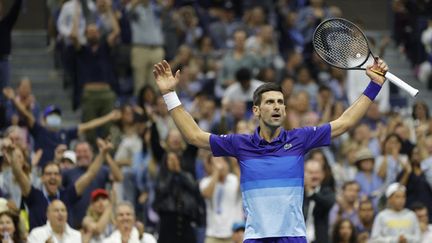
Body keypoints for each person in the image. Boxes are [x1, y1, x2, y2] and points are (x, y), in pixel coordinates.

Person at [152, 57, 388, 243]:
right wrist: (169, 94)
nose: (277, 107)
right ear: (256, 111)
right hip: (256, 238)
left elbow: (345, 122)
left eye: (280, 102)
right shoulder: (240, 144)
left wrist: (374, 85)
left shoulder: (300, 138)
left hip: (293, 236)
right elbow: (194, 136)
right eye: (270, 102)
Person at [3, 137, 113, 229]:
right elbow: (19, 174)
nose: (53, 177)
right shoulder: (34, 196)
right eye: (49, 174)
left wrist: (102, 153)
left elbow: (90, 175)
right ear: (42, 178)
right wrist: (12, 156)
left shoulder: (67, 195)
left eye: (56, 174)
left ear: (60, 178)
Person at [2, 86, 122, 167]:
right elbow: (26, 114)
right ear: (44, 119)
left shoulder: (66, 133)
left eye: (56, 115)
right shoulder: (39, 130)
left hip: (62, 171)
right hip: (43, 171)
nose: (54, 118)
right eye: (51, 115)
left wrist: (109, 117)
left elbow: (88, 125)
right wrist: (13, 98)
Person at [0, 0, 22, 102]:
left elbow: (15, 10)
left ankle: (4, 114)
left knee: (5, 91)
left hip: (4, 61)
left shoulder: (6, 23)